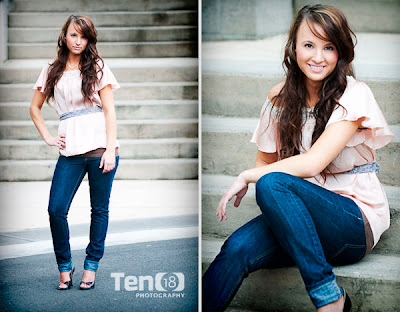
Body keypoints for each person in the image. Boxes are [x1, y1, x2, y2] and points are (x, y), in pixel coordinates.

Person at [202, 4, 394, 312]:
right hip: (299, 217)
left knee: (272, 184)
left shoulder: (353, 94)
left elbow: (311, 164)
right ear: (294, 47)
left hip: (353, 221)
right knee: (237, 248)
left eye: (328, 47)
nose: (318, 57)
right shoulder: (279, 100)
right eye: (309, 45)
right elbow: (264, 163)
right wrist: (257, 174)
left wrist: (246, 176)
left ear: (340, 52)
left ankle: (328, 298)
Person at [30, 15, 120, 290]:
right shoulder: (51, 70)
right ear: (64, 37)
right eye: (73, 35)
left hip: (99, 149)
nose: (78, 41)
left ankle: (91, 266)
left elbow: (109, 110)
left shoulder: (98, 67)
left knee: (99, 210)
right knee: (56, 209)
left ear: (89, 39)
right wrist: (48, 136)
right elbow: (34, 107)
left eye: (83, 36)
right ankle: (64, 266)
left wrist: (109, 149)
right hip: (69, 151)